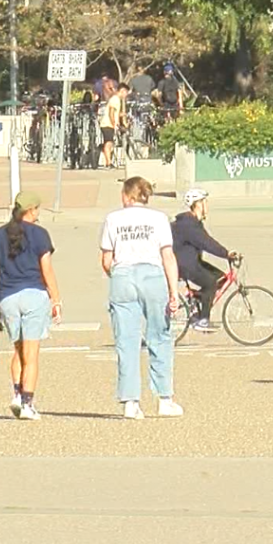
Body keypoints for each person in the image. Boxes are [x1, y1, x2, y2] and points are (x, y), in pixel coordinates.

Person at [99, 176, 183, 420]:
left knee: (126, 341)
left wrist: (115, 276)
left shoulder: (113, 219)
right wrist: (173, 291)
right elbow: (167, 255)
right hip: (152, 275)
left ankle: (130, 402)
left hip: (123, 275)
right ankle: (164, 398)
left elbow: (106, 258)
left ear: (127, 196)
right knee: (160, 336)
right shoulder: (158, 218)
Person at [0, 191, 63, 421]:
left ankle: (16, 393)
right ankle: (27, 404)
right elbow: (46, 270)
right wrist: (56, 299)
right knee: (31, 354)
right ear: (31, 210)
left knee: (18, 349)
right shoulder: (40, 235)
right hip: (33, 294)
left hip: (7, 296)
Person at [171, 189, 238, 333]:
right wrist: (226, 254)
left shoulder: (194, 222)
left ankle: (198, 300)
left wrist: (226, 253)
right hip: (184, 264)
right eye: (205, 202)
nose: (207, 205)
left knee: (220, 277)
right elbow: (206, 243)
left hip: (191, 261)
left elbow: (207, 241)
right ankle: (203, 320)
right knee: (210, 282)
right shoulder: (188, 224)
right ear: (198, 204)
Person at [99, 83, 129, 169]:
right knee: (108, 143)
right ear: (122, 91)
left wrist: (121, 115)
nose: (126, 95)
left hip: (109, 124)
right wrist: (113, 123)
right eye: (126, 93)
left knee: (110, 143)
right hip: (107, 124)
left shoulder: (117, 100)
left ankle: (109, 161)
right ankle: (108, 163)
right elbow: (111, 112)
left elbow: (115, 113)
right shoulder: (115, 99)